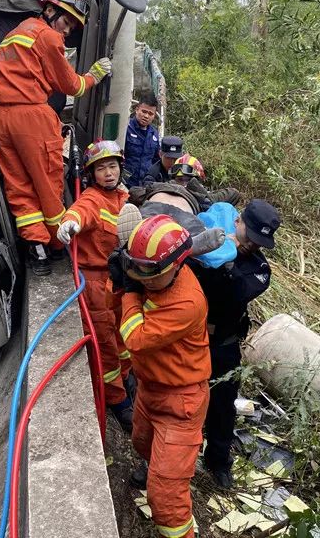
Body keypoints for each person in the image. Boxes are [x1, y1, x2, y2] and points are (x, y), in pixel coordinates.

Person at [0, 0, 112, 276]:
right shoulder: (48, 37)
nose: (66, 32)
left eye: (71, 28)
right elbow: (72, 87)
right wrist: (94, 75)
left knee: (18, 185)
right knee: (48, 182)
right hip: (29, 114)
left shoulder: (18, 31)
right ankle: (56, 244)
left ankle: (36, 248)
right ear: (51, 10)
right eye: (66, 23)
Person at [119, 215, 210, 538]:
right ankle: (153, 467)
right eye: (135, 268)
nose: (141, 278)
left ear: (176, 265)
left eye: (148, 272)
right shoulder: (156, 278)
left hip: (180, 402)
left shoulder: (186, 302)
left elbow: (135, 338)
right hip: (150, 388)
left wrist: (127, 292)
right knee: (142, 441)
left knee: (165, 498)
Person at [192, 199, 281, 489]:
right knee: (181, 400)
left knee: (222, 405)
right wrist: (212, 247)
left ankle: (218, 461)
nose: (252, 246)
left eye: (259, 242)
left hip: (223, 344)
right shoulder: (208, 240)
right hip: (190, 338)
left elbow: (235, 291)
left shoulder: (259, 269)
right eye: (249, 237)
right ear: (237, 221)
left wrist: (225, 258)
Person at [56, 140, 133, 432]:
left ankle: (125, 379)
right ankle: (116, 399)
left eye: (112, 166)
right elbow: (79, 211)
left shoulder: (124, 197)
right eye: (101, 169)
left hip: (119, 279)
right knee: (105, 344)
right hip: (95, 282)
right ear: (92, 174)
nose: (109, 173)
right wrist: (70, 222)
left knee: (123, 334)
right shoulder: (92, 198)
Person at [123, 93, 160, 187]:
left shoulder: (154, 134)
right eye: (144, 111)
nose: (146, 116)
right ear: (137, 109)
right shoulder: (125, 128)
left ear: (154, 116)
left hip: (145, 186)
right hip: (125, 183)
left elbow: (156, 160)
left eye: (150, 114)